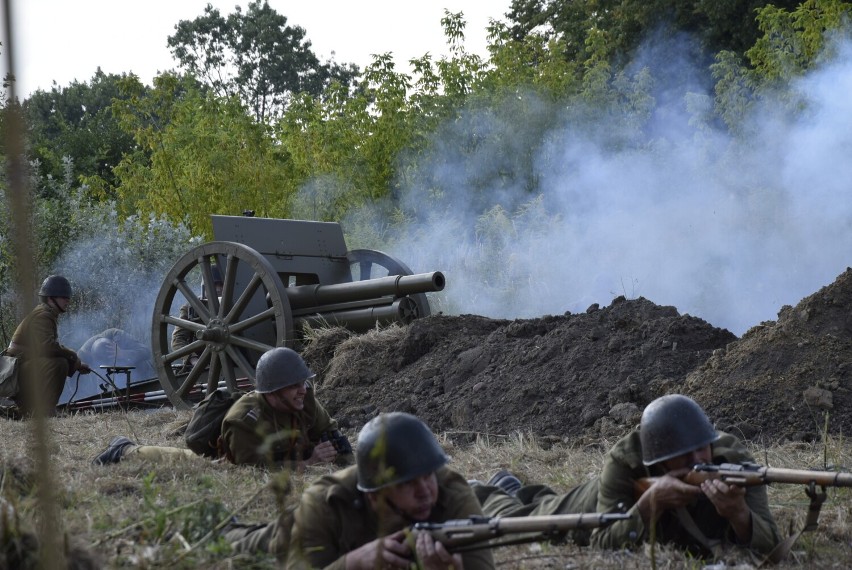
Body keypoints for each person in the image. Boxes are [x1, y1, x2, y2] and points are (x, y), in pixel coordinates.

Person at [473, 394, 781, 559]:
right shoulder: (626, 460)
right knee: (529, 519)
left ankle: (515, 487)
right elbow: (603, 543)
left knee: (540, 500)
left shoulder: (735, 463)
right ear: (660, 459)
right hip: (596, 504)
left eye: (703, 449)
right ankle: (484, 492)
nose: (700, 460)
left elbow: (771, 546)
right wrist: (649, 505)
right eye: (686, 456)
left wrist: (739, 514)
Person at [225, 411, 495, 570]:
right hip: (297, 534)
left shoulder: (452, 492)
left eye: (427, 477)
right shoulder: (326, 502)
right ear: (374, 494)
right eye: (408, 483)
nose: (425, 491)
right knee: (240, 546)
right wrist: (352, 563)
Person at [93, 347, 351, 469]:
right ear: (273, 391)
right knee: (187, 462)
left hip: (279, 452)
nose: (303, 390)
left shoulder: (303, 400)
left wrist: (342, 454)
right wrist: (309, 461)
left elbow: (329, 430)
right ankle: (125, 449)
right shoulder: (244, 421)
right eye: (294, 385)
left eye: (303, 383)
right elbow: (251, 471)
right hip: (233, 459)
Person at [3, 275, 91, 417]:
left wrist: (76, 364)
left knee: (60, 361)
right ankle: (46, 410)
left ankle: (25, 410)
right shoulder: (43, 315)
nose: (67, 300)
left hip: (22, 368)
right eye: (63, 297)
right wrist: (74, 357)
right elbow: (48, 347)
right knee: (60, 363)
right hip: (17, 373)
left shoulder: (46, 313)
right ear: (50, 299)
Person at [171, 265, 223, 371]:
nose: (218, 289)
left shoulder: (234, 304)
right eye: (214, 285)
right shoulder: (191, 308)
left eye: (221, 285)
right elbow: (178, 340)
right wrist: (194, 360)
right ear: (205, 287)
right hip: (202, 366)